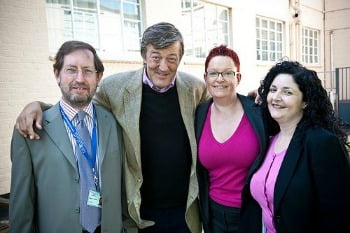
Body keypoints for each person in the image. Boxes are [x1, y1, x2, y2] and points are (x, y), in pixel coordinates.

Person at [14, 22, 208, 233]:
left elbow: (222, 108)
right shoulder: (114, 88)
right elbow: (77, 107)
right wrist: (39, 107)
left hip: (185, 212)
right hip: (138, 214)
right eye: (156, 57)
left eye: (172, 58)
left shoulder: (196, 89)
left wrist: (250, 99)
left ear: (180, 58)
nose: (163, 66)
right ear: (144, 55)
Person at [9, 41, 124, 233]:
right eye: (71, 70)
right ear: (57, 74)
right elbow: (21, 203)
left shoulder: (113, 122)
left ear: (99, 77)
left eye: (87, 71)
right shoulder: (31, 128)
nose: (80, 78)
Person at [239, 60, 350, 233]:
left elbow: (338, 215)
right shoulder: (269, 139)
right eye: (273, 90)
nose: (276, 97)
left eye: (287, 92)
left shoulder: (322, 143)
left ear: (305, 102)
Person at [195, 45, 267, 233]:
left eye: (227, 73)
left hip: (253, 212)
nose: (220, 79)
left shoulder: (258, 112)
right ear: (206, 78)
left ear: (238, 77)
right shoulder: (198, 115)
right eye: (213, 74)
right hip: (214, 215)